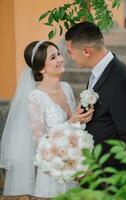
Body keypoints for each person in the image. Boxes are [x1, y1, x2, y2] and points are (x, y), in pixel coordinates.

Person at [0, 40, 94, 198]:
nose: (60, 59)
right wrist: (72, 122)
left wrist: (81, 119)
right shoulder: (35, 98)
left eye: (58, 54)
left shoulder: (66, 87)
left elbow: (73, 128)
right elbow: (41, 143)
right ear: (41, 68)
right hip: (53, 172)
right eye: (53, 57)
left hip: (73, 165)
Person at [65, 21, 126, 169]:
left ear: (86, 51)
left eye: (70, 52)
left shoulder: (121, 81)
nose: (69, 57)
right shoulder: (99, 72)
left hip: (111, 176)